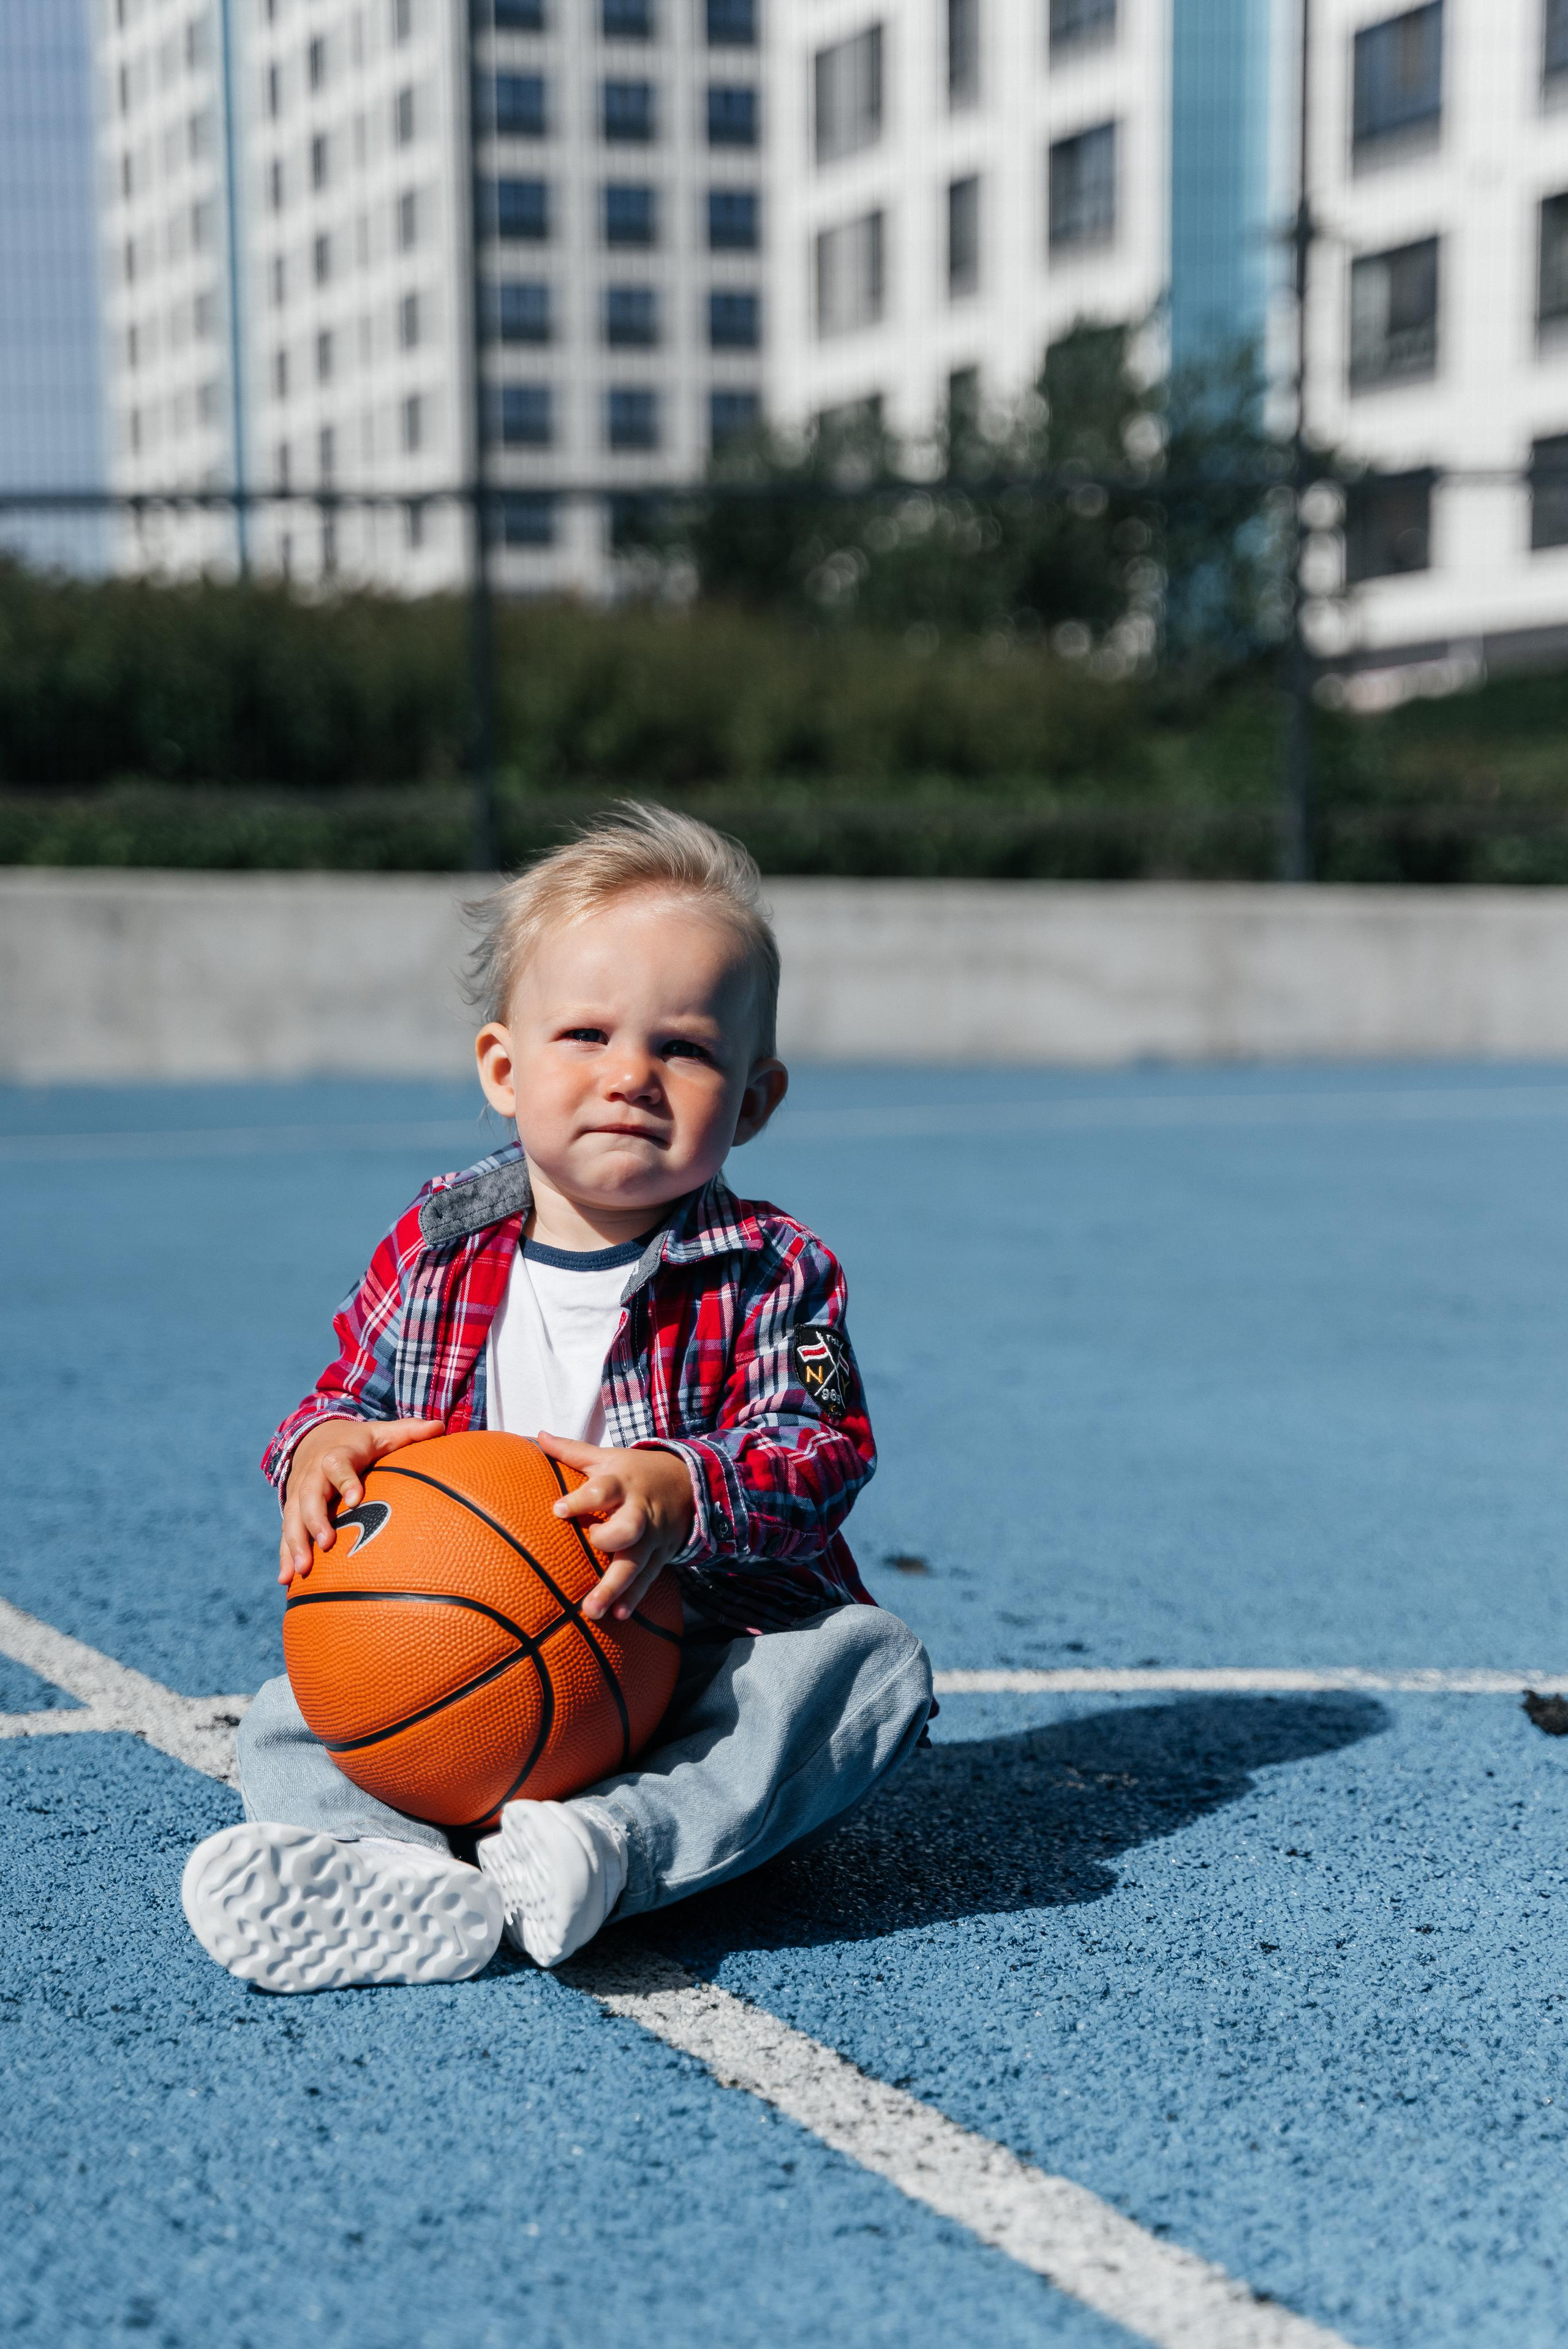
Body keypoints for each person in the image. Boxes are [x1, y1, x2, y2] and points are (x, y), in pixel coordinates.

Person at [181, 807, 933, 1993]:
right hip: (453, 1663)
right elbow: (346, 1396)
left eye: (685, 1049)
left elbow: (821, 1446)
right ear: (503, 1068)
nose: (630, 1074)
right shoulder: (435, 1245)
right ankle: (382, 1869)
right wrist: (320, 1446)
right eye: (586, 1033)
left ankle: (609, 1846)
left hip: (683, 1664)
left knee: (868, 1668)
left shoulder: (773, 1270)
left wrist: (684, 1487)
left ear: (752, 1101)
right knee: (299, 1701)